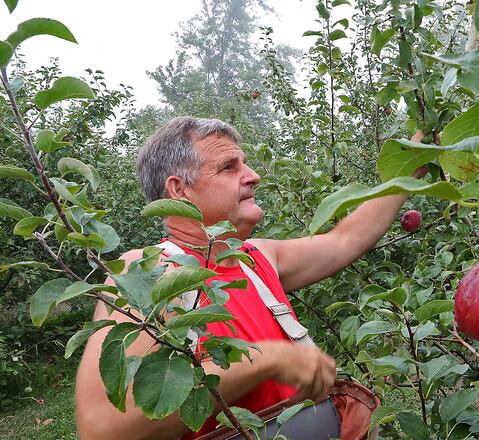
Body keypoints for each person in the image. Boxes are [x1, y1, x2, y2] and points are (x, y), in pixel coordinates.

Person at [75, 116, 427, 440]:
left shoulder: (254, 259)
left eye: (244, 163)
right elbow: (101, 428)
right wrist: (267, 359)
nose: (253, 175)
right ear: (179, 189)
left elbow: (344, 239)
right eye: (229, 167)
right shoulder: (147, 272)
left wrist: (412, 160)